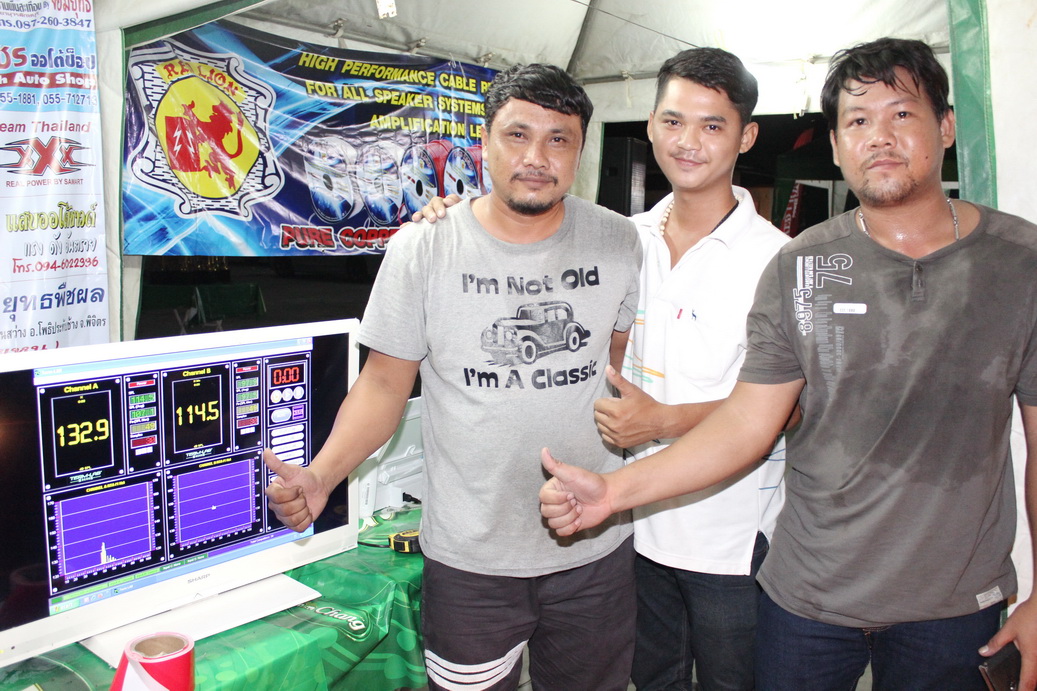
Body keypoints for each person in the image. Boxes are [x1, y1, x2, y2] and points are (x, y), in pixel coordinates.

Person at [539, 37, 1037, 691]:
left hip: (950, 601)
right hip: (804, 595)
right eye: (856, 120)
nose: (878, 137)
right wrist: (612, 493)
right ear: (834, 144)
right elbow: (751, 419)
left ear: (945, 127)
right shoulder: (800, 264)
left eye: (900, 114)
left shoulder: (1019, 263)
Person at [415, 48, 790, 690]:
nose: (689, 142)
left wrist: (664, 421)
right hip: (625, 533)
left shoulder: (778, 259)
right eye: (673, 121)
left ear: (746, 136)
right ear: (650, 126)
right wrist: (448, 216)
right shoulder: (623, 239)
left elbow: (793, 409)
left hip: (726, 538)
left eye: (712, 125)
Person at [265, 63, 642, 691]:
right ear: (484, 143)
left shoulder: (618, 240)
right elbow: (384, 386)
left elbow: (614, 366)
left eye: (559, 139)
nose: (536, 157)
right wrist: (323, 475)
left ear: (580, 150)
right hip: (471, 563)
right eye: (517, 135)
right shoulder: (423, 247)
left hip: (595, 550)